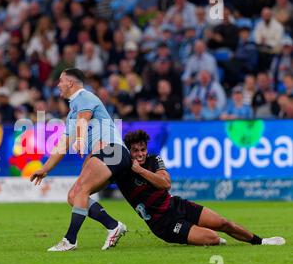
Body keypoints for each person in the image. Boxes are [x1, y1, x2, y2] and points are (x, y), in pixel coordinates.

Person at [114, 129, 286, 246]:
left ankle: (261, 241)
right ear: (129, 151)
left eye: (142, 149)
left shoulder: (153, 160)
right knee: (213, 238)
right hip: (164, 224)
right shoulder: (124, 174)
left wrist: (141, 170)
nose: (140, 154)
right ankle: (203, 236)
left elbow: (166, 183)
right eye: (135, 151)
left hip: (177, 206)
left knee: (222, 222)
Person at [30, 68, 131, 251]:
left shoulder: (84, 97)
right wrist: (45, 169)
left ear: (70, 83)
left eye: (61, 80)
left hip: (111, 151)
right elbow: (62, 145)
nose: (58, 84)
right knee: (74, 196)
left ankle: (70, 240)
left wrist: (80, 140)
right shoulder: (72, 112)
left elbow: (83, 120)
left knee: (82, 190)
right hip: (107, 156)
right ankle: (113, 226)